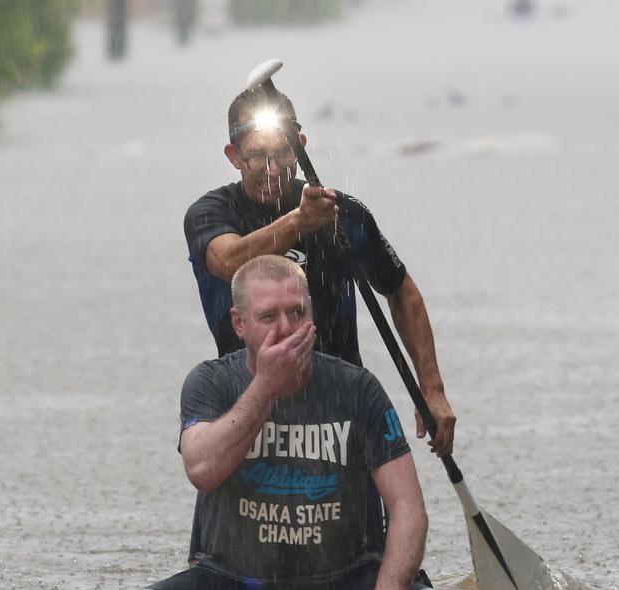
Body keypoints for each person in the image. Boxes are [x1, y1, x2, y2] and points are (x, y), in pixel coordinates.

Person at [84, 256, 492, 590]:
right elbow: (202, 468)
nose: (286, 327)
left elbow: (408, 507)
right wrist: (266, 385)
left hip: (345, 584)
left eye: (297, 313)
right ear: (239, 324)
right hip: (231, 586)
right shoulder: (210, 384)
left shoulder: (358, 389)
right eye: (268, 317)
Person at [183, 84, 456, 457]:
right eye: (257, 157)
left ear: (301, 144)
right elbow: (229, 262)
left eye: (282, 153)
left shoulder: (343, 214)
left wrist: (433, 390)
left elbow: (401, 292)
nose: (273, 168)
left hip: (340, 408)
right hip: (248, 406)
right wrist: (300, 222)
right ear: (233, 156)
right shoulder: (211, 214)